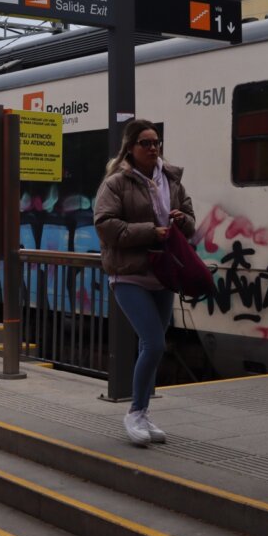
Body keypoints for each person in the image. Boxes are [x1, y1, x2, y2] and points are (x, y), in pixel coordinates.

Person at [93, 119, 196, 446]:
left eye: (156, 142)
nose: (153, 148)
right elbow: (105, 224)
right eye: (146, 143)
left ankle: (144, 412)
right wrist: (150, 232)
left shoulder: (172, 180)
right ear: (131, 148)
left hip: (164, 272)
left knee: (150, 344)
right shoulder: (116, 183)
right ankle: (134, 413)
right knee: (153, 343)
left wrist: (182, 220)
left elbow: (191, 223)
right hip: (129, 273)